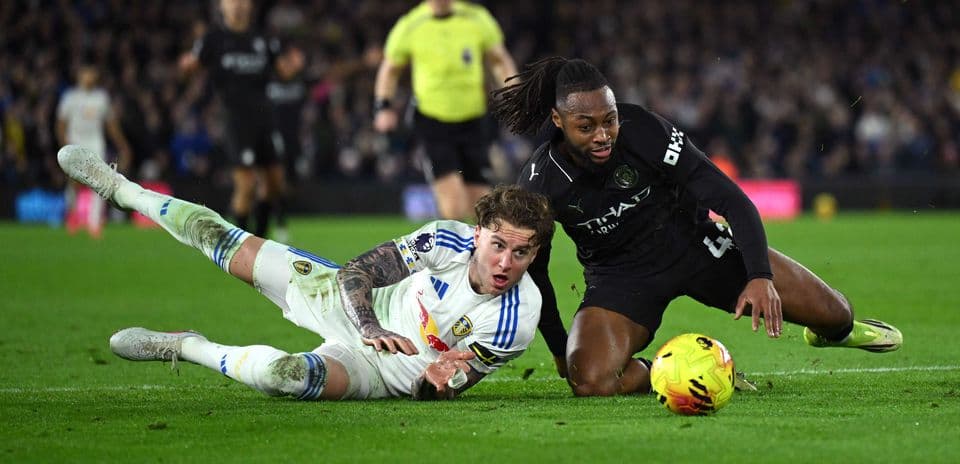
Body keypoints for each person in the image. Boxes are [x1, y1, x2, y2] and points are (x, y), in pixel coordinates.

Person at [490, 57, 903, 397]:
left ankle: (832, 331)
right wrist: (560, 348)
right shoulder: (540, 184)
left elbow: (731, 200)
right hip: (620, 278)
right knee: (590, 382)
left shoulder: (646, 131)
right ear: (558, 121)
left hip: (697, 247)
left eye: (609, 120)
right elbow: (536, 271)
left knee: (836, 316)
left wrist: (759, 276)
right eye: (586, 126)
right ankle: (687, 372)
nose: (603, 135)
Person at [57, 144, 554, 400]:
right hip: (356, 307)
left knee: (285, 377)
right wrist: (370, 326)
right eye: (498, 246)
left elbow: (439, 386)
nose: (506, 264)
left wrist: (442, 381)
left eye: (523, 253)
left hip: (377, 373)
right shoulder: (446, 238)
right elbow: (356, 272)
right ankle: (122, 190)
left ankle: (185, 346)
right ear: (478, 232)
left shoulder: (518, 317)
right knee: (221, 240)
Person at [373, 0, 518, 220]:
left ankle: (479, 253)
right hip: (433, 122)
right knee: (453, 203)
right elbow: (390, 69)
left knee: (481, 204)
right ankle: (455, 253)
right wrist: (383, 106)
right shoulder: (411, 25)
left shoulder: (477, 18)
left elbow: (499, 60)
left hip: (473, 121)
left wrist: (514, 92)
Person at [179, 0, 304, 238]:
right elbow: (190, 69)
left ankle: (260, 239)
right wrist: (185, 66)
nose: (237, 5)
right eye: (231, 1)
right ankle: (239, 246)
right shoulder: (213, 39)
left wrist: (294, 65)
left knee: (275, 182)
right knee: (246, 184)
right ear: (221, 6)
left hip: (265, 118)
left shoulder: (263, 38)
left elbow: (283, 72)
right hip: (235, 119)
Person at [56, 63, 132, 238]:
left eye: (92, 72)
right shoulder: (70, 97)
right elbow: (60, 124)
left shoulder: (101, 97)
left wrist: (122, 144)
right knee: (73, 182)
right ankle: (73, 215)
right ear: (80, 75)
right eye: (86, 72)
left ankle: (94, 222)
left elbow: (110, 124)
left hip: (95, 143)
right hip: (75, 142)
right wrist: (64, 144)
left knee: (99, 182)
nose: (89, 76)